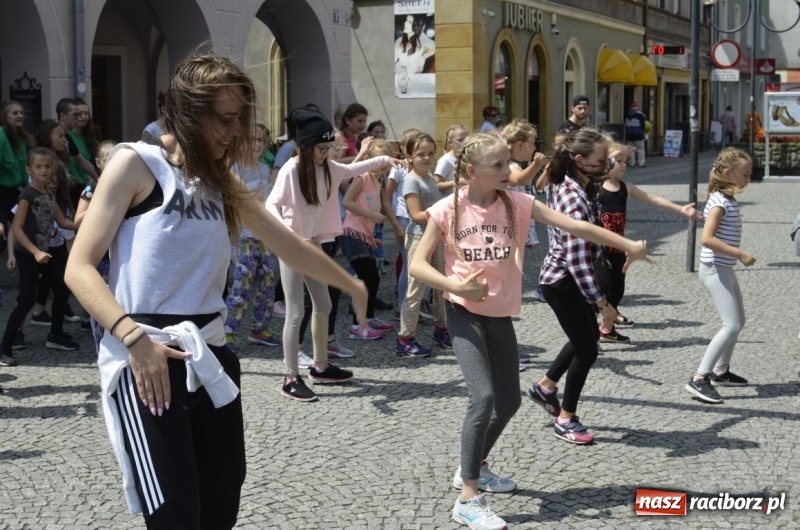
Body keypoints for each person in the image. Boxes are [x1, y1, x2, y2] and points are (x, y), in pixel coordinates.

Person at [64, 51, 371, 528]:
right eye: (225, 119)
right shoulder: (136, 163)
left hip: (211, 352)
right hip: (148, 355)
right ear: (188, 112)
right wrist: (133, 339)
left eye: (240, 119)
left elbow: (287, 243)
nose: (234, 131)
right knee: (175, 515)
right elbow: (79, 267)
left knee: (221, 502)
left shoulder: (220, 180)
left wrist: (350, 283)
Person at [408, 132, 651, 530]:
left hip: (499, 314)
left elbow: (577, 226)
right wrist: (455, 286)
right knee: (483, 396)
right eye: (501, 165)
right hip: (463, 313)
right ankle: (469, 497)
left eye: (509, 163)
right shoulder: (447, 209)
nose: (511, 171)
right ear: (472, 172)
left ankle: (474, 466)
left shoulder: (517, 203)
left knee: (510, 402)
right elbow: (419, 264)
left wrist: (625, 244)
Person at [267, 108, 404, 402]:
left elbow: (355, 168)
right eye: (322, 148)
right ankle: (291, 377)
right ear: (305, 147)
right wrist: (288, 235)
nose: (327, 153)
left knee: (324, 303)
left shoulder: (328, 167)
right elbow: (270, 206)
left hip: (314, 246)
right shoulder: (292, 170)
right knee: (295, 311)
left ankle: (320, 366)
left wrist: (385, 158)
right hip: (293, 247)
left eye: (330, 148)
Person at [527, 127, 654, 445]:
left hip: (572, 277)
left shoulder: (575, 179)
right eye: (602, 160)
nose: (607, 165)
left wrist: (620, 153)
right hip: (563, 281)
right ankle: (566, 418)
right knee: (587, 346)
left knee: (581, 337)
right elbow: (577, 262)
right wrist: (603, 303)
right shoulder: (573, 198)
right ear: (581, 160)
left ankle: (545, 386)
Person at [594, 143, 701, 341]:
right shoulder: (596, 188)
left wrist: (680, 210)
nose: (623, 165)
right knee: (603, 289)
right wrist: (616, 152)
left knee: (617, 290)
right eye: (618, 161)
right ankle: (590, 332)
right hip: (599, 250)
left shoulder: (626, 188)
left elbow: (652, 198)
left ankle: (606, 329)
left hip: (620, 249)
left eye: (625, 161)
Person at [684, 147, 754, 404]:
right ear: (728, 173)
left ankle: (720, 371)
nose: (748, 179)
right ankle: (699, 378)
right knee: (731, 324)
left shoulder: (727, 199)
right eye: (745, 174)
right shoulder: (719, 202)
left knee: (739, 320)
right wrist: (740, 253)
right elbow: (707, 238)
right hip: (714, 268)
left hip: (723, 267)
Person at [0, 147, 79, 367]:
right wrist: (34, 252)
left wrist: (88, 220)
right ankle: (5, 347)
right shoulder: (27, 195)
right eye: (38, 167)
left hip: (44, 252)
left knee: (63, 287)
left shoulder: (49, 193)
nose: (44, 170)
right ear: (29, 169)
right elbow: (16, 229)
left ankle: (56, 334)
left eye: (47, 166)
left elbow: (63, 222)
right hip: (28, 253)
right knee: (26, 300)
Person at [223, 123, 281, 351]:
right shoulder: (234, 169)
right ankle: (228, 330)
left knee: (268, 284)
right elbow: (231, 203)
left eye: (261, 140)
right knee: (242, 285)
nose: (257, 145)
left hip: (264, 236)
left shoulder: (264, 169)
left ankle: (260, 329)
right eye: (252, 140)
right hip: (243, 235)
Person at [397, 132, 449, 357]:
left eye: (430, 154)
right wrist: (444, 214)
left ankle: (441, 330)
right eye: (421, 155)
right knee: (416, 289)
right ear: (409, 156)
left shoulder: (428, 177)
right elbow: (416, 214)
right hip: (419, 238)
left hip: (435, 236)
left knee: (442, 286)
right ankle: (405, 338)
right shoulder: (411, 179)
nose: (427, 158)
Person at [341, 139, 397, 336]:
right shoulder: (362, 177)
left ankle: (368, 319)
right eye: (377, 160)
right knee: (367, 280)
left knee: (373, 279)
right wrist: (372, 216)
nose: (381, 165)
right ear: (369, 159)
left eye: (384, 162)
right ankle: (358, 326)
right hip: (351, 235)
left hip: (363, 236)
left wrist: (372, 237)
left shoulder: (378, 181)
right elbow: (347, 202)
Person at [74, 139, 117, 350]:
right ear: (98, 162)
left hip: (119, 255)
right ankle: (102, 347)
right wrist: (101, 203)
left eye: (115, 158)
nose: (111, 162)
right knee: (100, 303)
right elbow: (77, 219)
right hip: (100, 255)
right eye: (107, 158)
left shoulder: (126, 185)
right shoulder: (93, 187)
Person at [0, 100, 34, 234]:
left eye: (21, 112)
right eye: (15, 113)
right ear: (5, 117)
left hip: (12, 191)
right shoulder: (1, 134)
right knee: (2, 233)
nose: (20, 115)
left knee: (28, 222)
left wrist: (33, 191)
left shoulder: (22, 138)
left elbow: (24, 171)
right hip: (1, 191)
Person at [434, 123, 469, 196]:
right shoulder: (446, 160)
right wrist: (458, 181)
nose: (464, 143)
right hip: (451, 201)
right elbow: (436, 185)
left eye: (467, 139)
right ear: (450, 142)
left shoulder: (467, 157)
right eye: (460, 140)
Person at [625, 101, 647, 167]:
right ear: (637, 107)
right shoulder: (640, 115)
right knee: (640, 149)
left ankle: (632, 162)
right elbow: (643, 125)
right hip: (638, 134)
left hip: (629, 135)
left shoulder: (627, 115)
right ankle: (641, 162)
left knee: (631, 149)